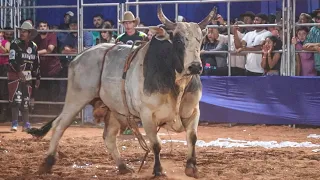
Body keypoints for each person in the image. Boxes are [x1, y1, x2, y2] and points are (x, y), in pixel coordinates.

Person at [7, 21, 40, 131]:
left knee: (26, 100)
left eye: (24, 31)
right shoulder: (15, 44)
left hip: (28, 75)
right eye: (21, 31)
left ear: (29, 33)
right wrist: (19, 72)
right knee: (16, 99)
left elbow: (36, 63)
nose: (22, 33)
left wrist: (38, 77)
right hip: (15, 75)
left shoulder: (34, 46)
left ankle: (26, 123)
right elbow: (11, 60)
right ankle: (15, 123)